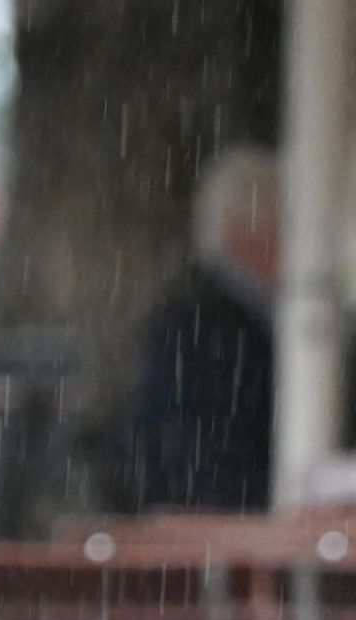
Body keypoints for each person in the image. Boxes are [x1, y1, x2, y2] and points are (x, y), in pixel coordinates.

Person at [108, 150, 286, 512]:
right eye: (285, 223)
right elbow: (199, 469)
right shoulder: (202, 327)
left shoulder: (202, 316)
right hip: (218, 542)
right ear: (250, 230)